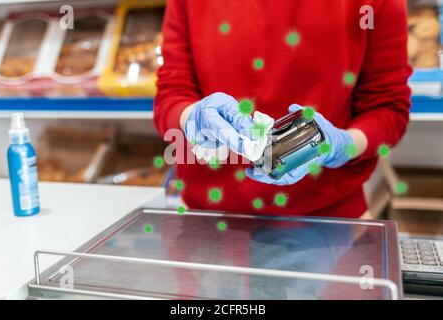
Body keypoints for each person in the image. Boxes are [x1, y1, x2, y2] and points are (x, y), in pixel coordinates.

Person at [154, 0, 412, 219]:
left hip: (331, 222)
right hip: (208, 218)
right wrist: (193, 117)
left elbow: (388, 108)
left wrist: (343, 145)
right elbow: (171, 94)